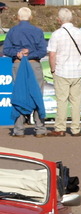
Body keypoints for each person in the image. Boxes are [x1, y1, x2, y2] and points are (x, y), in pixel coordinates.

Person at [2, 7, 48, 138]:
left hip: (18, 63)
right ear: (31, 17)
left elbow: (6, 50)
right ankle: (39, 128)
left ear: (18, 17)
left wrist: (18, 54)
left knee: (19, 94)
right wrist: (30, 53)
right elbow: (42, 51)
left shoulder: (12, 31)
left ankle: (19, 129)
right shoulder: (37, 31)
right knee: (37, 94)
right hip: (33, 63)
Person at [47, 8, 81, 137]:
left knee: (62, 100)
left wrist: (53, 69)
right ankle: (76, 128)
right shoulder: (80, 33)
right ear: (71, 19)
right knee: (76, 101)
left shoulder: (56, 34)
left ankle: (60, 128)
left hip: (61, 70)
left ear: (59, 20)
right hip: (77, 71)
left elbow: (52, 54)